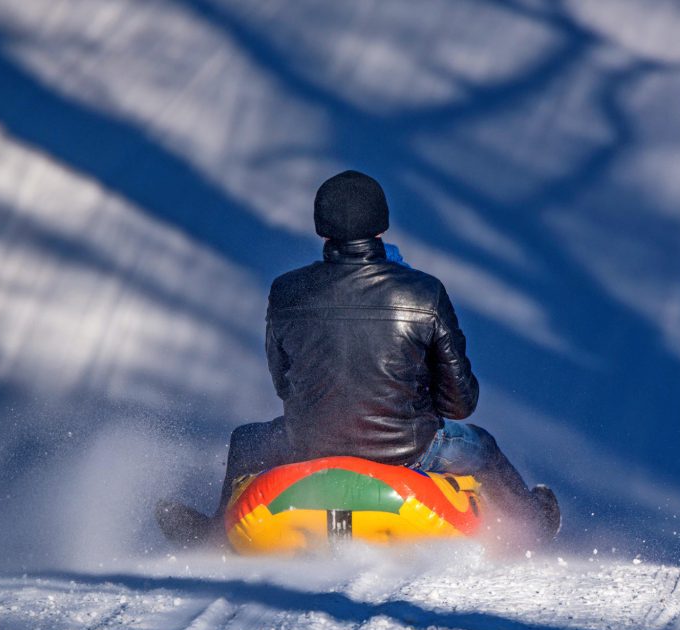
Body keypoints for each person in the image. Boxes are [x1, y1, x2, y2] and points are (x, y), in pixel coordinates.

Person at [157, 170, 559, 548]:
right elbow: (460, 403)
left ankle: (215, 536)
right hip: (408, 450)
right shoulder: (424, 292)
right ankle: (533, 526)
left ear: (322, 229)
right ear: (381, 227)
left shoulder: (286, 291)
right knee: (482, 446)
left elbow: (284, 385)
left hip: (306, 444)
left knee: (245, 439)